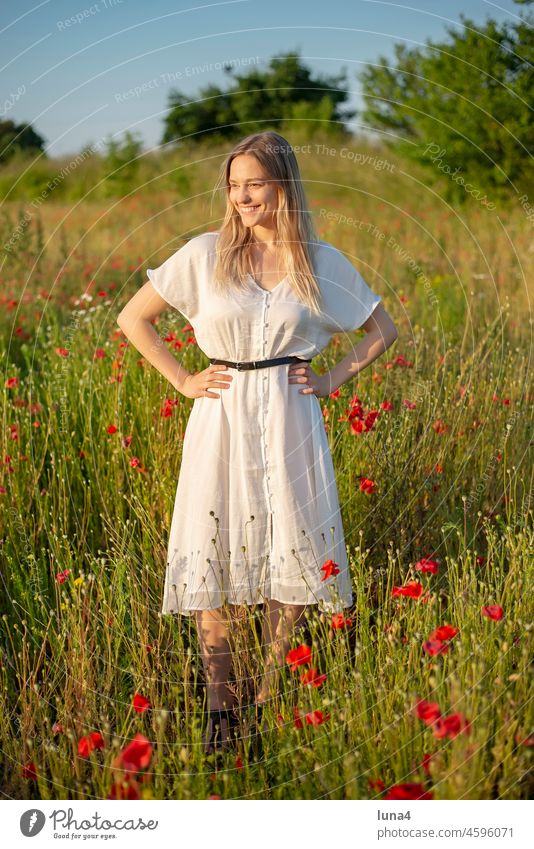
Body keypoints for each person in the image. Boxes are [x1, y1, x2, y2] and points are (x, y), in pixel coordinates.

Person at [116, 131, 398, 756]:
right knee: (210, 550)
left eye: (255, 184)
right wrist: (182, 378)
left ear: (284, 186)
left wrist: (329, 379)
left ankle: (268, 700)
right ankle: (221, 710)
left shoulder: (321, 263)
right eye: (234, 185)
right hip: (218, 415)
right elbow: (133, 318)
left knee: (289, 549)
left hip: (291, 414)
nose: (242, 196)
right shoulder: (203, 254)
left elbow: (384, 328)